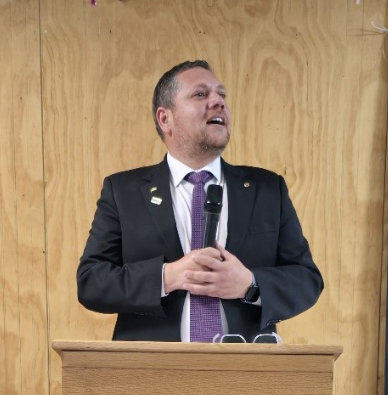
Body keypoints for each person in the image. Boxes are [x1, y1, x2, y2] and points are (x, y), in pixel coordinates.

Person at [77, 60, 323, 342]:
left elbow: (307, 279)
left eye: (222, 94)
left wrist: (250, 284)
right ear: (165, 118)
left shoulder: (267, 190)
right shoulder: (123, 192)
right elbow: (91, 282)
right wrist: (168, 276)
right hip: (150, 366)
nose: (218, 102)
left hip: (244, 365)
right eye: (200, 94)